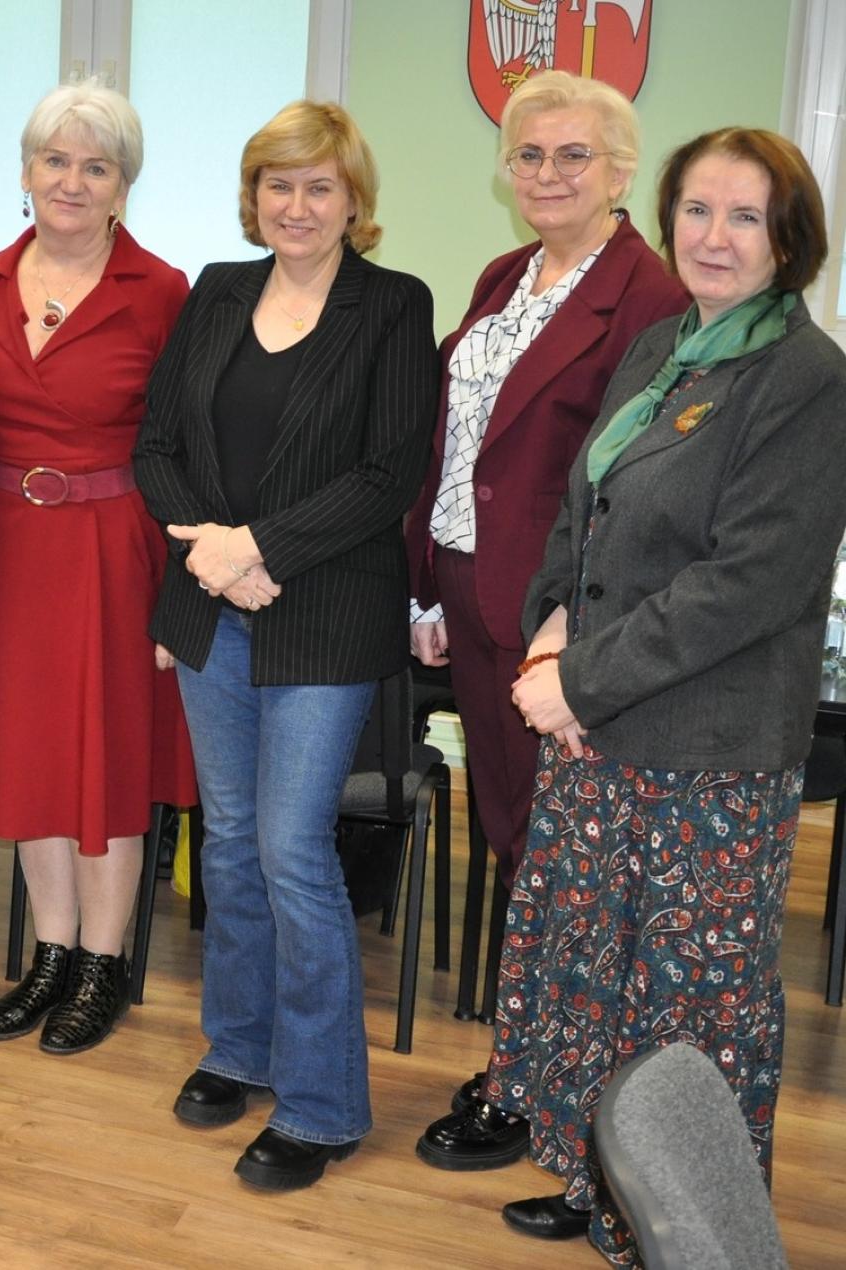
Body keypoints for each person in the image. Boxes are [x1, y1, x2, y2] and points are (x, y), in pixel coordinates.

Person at [422, 128, 846, 1260]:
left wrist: (581, 680)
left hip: (706, 746)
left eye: (744, 217)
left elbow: (749, 583)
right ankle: (598, 1180)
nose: (713, 237)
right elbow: (582, 490)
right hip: (601, 726)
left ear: (789, 240)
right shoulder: (668, 344)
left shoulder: (806, 379)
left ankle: (691, 1223)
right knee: (593, 970)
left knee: (689, 1002)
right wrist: (554, 609)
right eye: (697, 211)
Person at [132, 100, 435, 1190]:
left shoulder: (394, 307)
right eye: (277, 184)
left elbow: (387, 474)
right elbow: (157, 441)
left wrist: (260, 547)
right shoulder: (217, 290)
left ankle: (320, 1103)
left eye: (318, 185)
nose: (296, 205)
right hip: (211, 606)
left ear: (354, 198)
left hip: (324, 614)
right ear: (252, 196)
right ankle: (240, 1048)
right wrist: (214, 554)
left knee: (292, 851)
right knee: (225, 843)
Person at [403, 72, 686, 1173]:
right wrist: (429, 580)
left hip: (561, 622)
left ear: (623, 172)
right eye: (530, 155)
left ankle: (551, 1086)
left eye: (575, 155)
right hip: (474, 598)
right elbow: (455, 436)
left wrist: (567, 622)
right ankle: (536, 1068)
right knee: (516, 837)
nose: (549, 174)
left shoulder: (650, 299)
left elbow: (629, 488)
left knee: (567, 857)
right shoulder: (502, 277)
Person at [0, 81, 195, 1055]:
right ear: (27, 171)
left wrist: (180, 583)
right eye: (57, 161)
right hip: (2, 545)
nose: (72, 181)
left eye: (96, 166)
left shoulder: (163, 292)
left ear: (123, 185)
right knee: (31, 750)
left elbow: (186, 445)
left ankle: (103, 964)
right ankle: (48, 954)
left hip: (112, 546)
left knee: (108, 752)